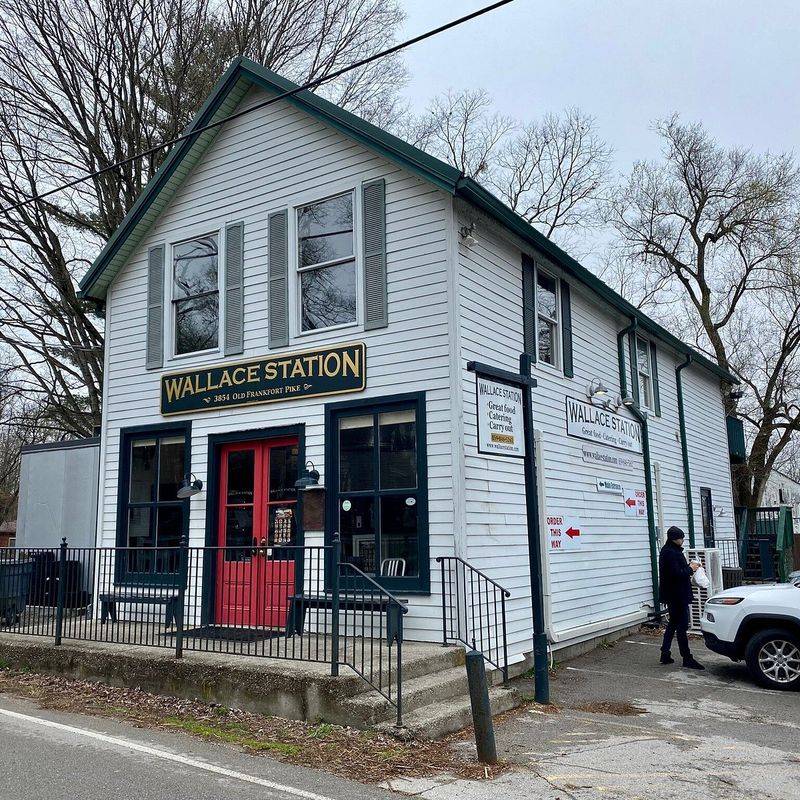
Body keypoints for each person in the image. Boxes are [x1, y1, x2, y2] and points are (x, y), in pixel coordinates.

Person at [659, 526, 705, 669]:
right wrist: (691, 568)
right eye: (681, 537)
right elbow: (676, 574)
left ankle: (665, 652)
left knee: (673, 623)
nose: (683, 540)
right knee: (682, 625)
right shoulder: (672, 553)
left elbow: (674, 571)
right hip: (677, 595)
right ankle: (687, 657)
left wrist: (689, 566)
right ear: (675, 539)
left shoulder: (667, 551)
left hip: (671, 594)